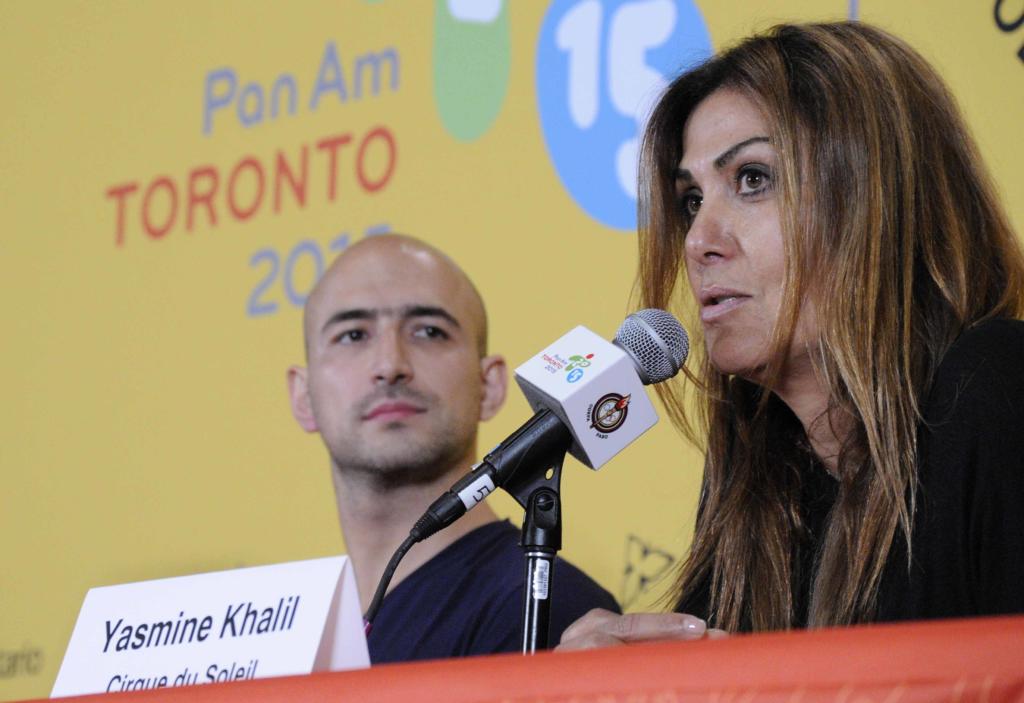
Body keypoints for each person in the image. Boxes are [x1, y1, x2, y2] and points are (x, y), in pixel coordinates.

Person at [559, 21, 1024, 649]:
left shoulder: (997, 388)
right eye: (692, 199)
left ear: (875, 198)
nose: (698, 241)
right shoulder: (759, 490)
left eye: (753, 179)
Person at [286, 234, 619, 662]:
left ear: (490, 385)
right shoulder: (297, 638)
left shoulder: (542, 609)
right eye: (353, 335)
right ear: (303, 396)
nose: (390, 365)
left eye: (429, 332)